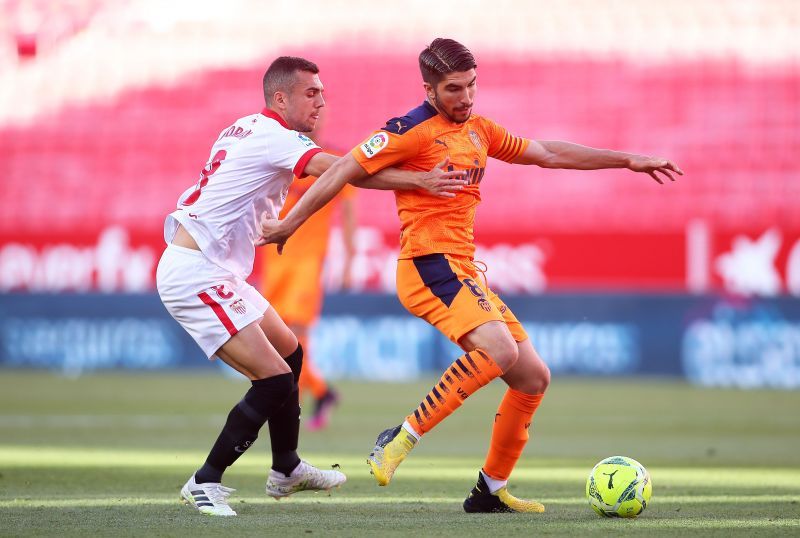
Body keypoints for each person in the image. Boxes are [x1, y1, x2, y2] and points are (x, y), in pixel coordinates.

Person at [257, 38, 683, 514]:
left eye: (471, 85)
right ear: (430, 89)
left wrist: (627, 159)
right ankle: (399, 436)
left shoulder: (480, 129)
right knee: (498, 350)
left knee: (533, 378)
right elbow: (341, 171)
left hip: (463, 269)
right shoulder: (407, 130)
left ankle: (490, 490)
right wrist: (290, 225)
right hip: (426, 264)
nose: (466, 97)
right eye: (454, 88)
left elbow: (546, 153)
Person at [155, 55, 467, 517]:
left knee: (291, 351)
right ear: (280, 98)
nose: (322, 101)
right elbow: (346, 170)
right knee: (275, 379)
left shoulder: (246, 128)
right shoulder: (276, 138)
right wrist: (420, 180)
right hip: (195, 272)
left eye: (322, 92)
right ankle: (204, 481)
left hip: (215, 269)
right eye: (311, 93)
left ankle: (286, 467)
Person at [259, 123, 356, 431]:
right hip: (274, 260)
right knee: (275, 339)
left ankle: (291, 408)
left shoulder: (336, 160)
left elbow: (350, 213)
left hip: (308, 262)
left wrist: (349, 261)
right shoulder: (279, 152)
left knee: (297, 336)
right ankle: (321, 392)